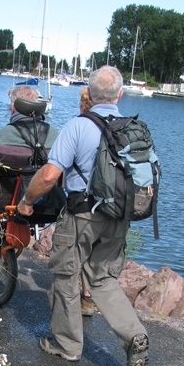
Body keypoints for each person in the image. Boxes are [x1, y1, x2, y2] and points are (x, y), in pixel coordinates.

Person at [17, 65, 150, 366]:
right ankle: (134, 334)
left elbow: (50, 176)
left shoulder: (79, 126)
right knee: (103, 280)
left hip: (82, 217)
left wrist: (27, 200)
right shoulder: (132, 127)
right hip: (118, 217)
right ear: (121, 94)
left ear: (89, 94)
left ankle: (67, 345)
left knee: (66, 275)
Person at [0, 85, 58, 181]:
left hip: (8, 195)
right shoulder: (54, 133)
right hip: (44, 194)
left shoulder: (6, 133)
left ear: (13, 108)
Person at [77, 86, 100, 318]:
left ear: (83, 105)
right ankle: (88, 297)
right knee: (93, 251)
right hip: (108, 203)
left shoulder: (80, 126)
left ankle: (76, 300)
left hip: (82, 202)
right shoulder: (112, 126)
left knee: (79, 251)